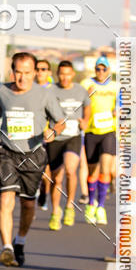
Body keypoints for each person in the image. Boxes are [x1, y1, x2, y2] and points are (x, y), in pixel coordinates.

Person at [0, 52, 64, 267]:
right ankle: (7, 248)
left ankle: (19, 240)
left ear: (35, 73)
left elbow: (60, 121)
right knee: (6, 199)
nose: (22, 78)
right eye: (18, 72)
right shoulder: (2, 91)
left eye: (27, 73)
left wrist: (53, 132)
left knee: (28, 204)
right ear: (12, 72)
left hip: (33, 154)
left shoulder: (44, 94)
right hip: (7, 153)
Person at [45, 60, 91, 230]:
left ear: (73, 74)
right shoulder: (50, 91)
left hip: (73, 136)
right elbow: (43, 111)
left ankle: (70, 206)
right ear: (57, 75)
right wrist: (46, 130)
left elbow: (87, 106)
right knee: (56, 178)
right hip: (56, 137)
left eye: (67, 74)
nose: (64, 77)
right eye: (61, 74)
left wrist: (85, 120)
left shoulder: (80, 90)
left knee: (71, 170)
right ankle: (55, 211)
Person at [82, 56, 118, 225]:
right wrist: (87, 96)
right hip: (91, 131)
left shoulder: (115, 86)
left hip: (108, 131)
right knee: (92, 172)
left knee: (105, 169)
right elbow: (80, 103)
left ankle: (101, 207)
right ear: (95, 70)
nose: (101, 72)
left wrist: (118, 110)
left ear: (109, 70)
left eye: (104, 69)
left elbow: (123, 104)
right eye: (98, 69)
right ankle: (91, 204)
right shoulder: (86, 84)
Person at [34, 58, 53, 211]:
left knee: (46, 171)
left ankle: (44, 193)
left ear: (49, 72)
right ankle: (32, 195)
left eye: (43, 69)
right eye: (38, 69)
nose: (40, 72)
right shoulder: (28, 88)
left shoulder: (54, 90)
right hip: (31, 135)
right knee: (33, 169)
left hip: (48, 135)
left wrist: (53, 130)